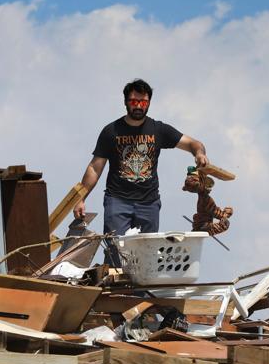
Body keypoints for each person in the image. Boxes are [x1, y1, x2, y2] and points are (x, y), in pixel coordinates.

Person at [73, 79, 209, 264]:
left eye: (143, 102)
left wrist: (199, 154)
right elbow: (95, 167)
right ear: (126, 102)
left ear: (149, 103)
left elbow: (193, 143)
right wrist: (80, 198)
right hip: (117, 201)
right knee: (116, 251)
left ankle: (140, 293)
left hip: (149, 203)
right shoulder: (111, 131)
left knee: (146, 256)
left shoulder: (158, 130)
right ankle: (114, 292)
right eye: (134, 101)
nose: (138, 106)